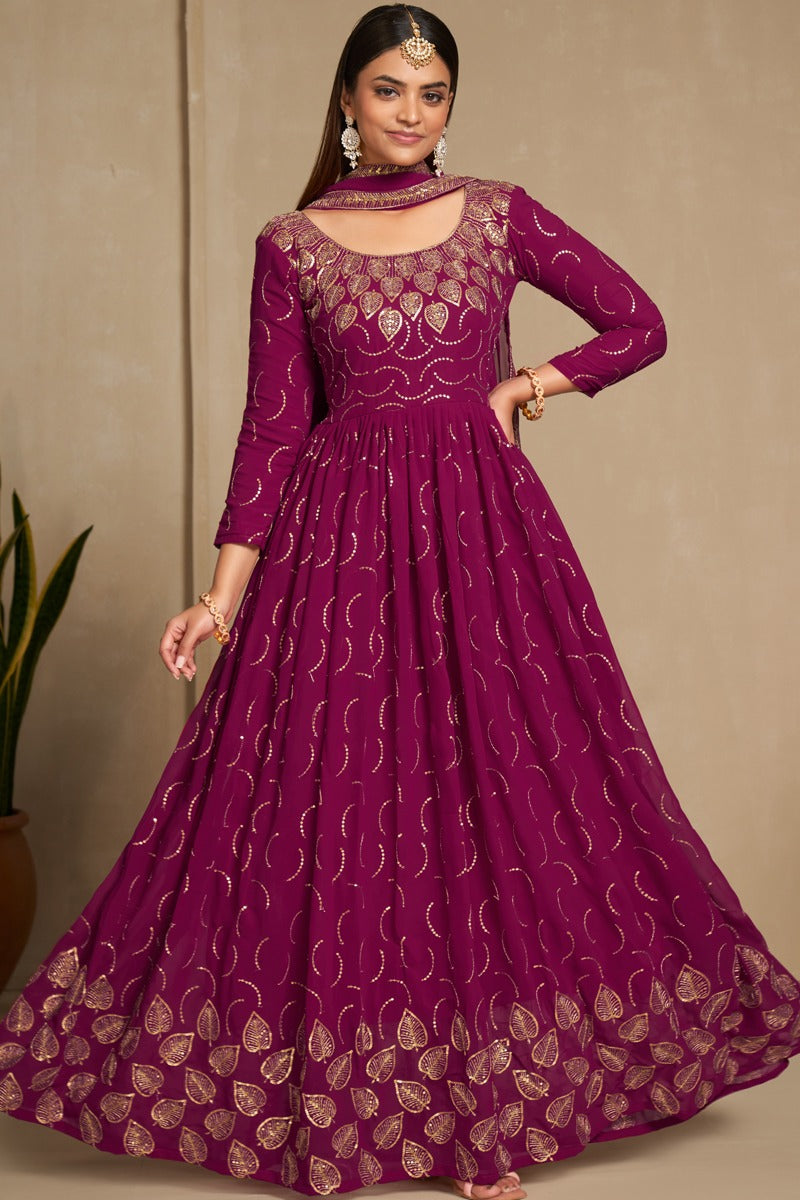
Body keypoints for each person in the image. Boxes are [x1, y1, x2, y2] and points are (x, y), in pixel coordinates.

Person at [2, 5, 798, 1199]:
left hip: (483, 546)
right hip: (334, 555)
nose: (411, 114)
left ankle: (491, 1115)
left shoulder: (498, 214)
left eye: (431, 94)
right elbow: (273, 428)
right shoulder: (292, 243)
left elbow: (638, 324)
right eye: (387, 90)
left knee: (496, 799)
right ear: (346, 100)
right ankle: (360, 1108)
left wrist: (524, 386)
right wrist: (218, 598)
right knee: (350, 804)